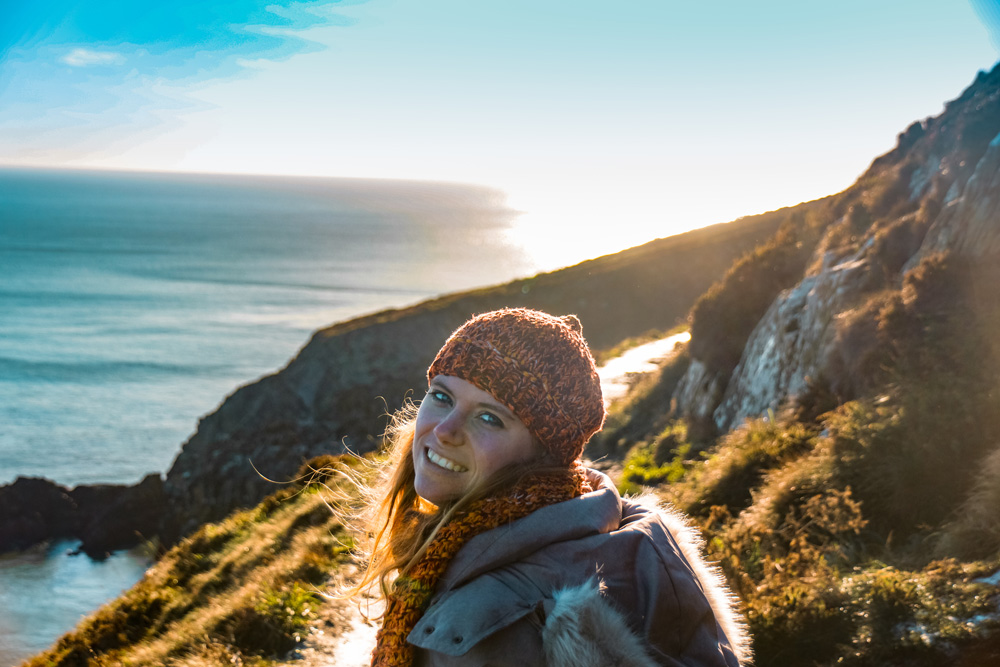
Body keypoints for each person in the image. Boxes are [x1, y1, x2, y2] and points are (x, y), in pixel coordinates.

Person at [353, 308, 751, 667]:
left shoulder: (484, 631)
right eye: (441, 396)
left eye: (490, 418)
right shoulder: (609, 523)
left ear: (543, 454)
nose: (443, 430)